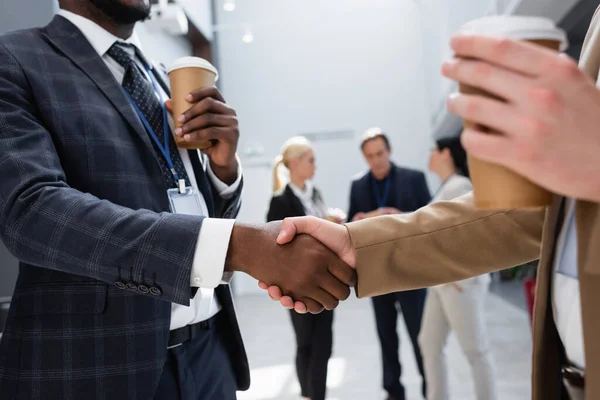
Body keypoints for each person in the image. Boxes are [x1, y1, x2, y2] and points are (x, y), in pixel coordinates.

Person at [0, 1, 355, 399]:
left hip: (211, 353)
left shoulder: (157, 76)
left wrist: (223, 168)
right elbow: (30, 211)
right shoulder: (14, 59)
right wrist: (235, 245)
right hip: (100, 365)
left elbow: (190, 206)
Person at [262, 7, 600, 400]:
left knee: (460, 348)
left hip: (450, 286)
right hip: (567, 375)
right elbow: (530, 216)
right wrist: (358, 242)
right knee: (416, 343)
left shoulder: (413, 178)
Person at [347, 128, 431, 400]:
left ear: (389, 151)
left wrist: (401, 216)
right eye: (370, 156)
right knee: (386, 337)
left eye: (380, 154)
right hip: (377, 275)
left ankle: (431, 388)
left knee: (420, 337)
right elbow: (349, 227)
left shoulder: (414, 178)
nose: (376, 161)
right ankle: (393, 392)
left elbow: (431, 220)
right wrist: (355, 222)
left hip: (411, 273)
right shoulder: (358, 185)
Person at [419, 137, 496, 400]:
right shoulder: (446, 187)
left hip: (459, 282)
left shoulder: (460, 185)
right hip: (442, 282)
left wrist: (462, 274)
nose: (430, 154)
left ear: (447, 154)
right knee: (429, 343)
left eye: (434, 150)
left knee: (476, 350)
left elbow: (472, 233)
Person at [267, 136, 336, 400]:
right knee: (306, 343)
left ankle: (317, 395)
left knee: (325, 345)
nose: (315, 166)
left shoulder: (315, 193)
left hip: (326, 279)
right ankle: (310, 395)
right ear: (294, 164)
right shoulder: (279, 201)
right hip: (298, 285)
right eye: (311, 160)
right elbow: (274, 246)